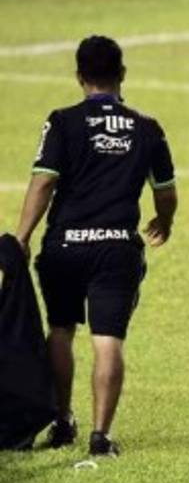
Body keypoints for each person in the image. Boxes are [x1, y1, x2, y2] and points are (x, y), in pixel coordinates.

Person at [14, 35, 177, 457]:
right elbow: (166, 190)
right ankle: (101, 437)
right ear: (122, 74)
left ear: (79, 77)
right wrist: (165, 220)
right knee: (107, 340)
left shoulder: (62, 121)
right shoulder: (147, 127)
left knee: (61, 331)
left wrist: (22, 236)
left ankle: (63, 420)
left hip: (65, 245)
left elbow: (44, 180)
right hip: (116, 247)